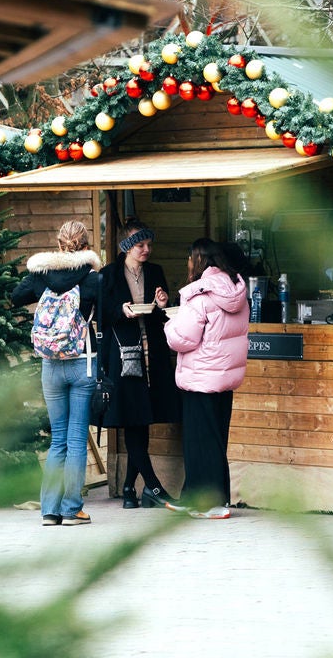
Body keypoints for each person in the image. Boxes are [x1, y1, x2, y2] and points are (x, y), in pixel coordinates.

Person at [11, 220, 102, 527]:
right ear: (86, 244)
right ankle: (72, 508)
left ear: (59, 244)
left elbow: (15, 296)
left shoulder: (40, 274)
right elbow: (109, 311)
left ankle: (50, 510)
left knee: (58, 440)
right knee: (77, 439)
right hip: (81, 363)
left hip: (50, 364)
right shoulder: (92, 279)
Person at [163, 238, 249, 519]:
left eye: (190, 258)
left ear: (199, 261)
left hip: (201, 378)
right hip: (223, 379)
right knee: (212, 440)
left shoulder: (200, 296)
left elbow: (182, 338)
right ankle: (193, 497)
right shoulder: (236, 292)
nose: (188, 263)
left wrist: (169, 323)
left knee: (200, 442)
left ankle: (212, 504)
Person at [97, 219, 180, 509]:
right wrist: (120, 310)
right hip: (123, 355)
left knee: (142, 418)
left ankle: (131, 488)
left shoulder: (155, 272)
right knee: (133, 418)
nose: (147, 249)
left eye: (148, 244)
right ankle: (153, 488)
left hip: (152, 353)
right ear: (126, 246)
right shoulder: (108, 275)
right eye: (140, 244)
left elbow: (162, 314)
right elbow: (101, 314)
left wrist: (161, 302)